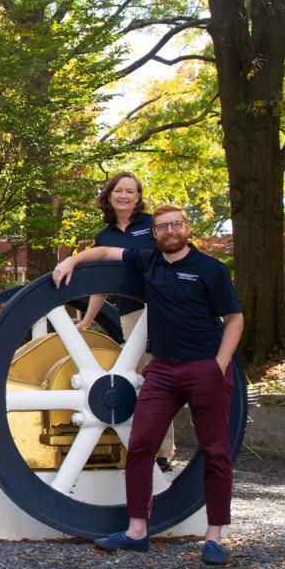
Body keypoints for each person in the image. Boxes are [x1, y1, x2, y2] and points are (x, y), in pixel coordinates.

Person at [52, 204, 243, 565]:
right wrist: (71, 262)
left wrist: (218, 365)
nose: (169, 231)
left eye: (176, 225)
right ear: (154, 233)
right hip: (162, 371)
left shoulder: (209, 269)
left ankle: (215, 536)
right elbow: (107, 251)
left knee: (215, 452)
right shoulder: (149, 260)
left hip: (204, 368)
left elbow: (234, 319)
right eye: (162, 227)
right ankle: (137, 531)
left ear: (187, 228)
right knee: (140, 447)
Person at [74, 172, 175, 470]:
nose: (124, 196)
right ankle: (145, 448)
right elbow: (101, 285)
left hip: (163, 308)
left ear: (138, 196)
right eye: (119, 190)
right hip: (131, 313)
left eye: (130, 191)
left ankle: (164, 453)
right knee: (145, 379)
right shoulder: (104, 237)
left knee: (167, 376)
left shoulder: (151, 225)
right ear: (110, 195)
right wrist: (87, 320)